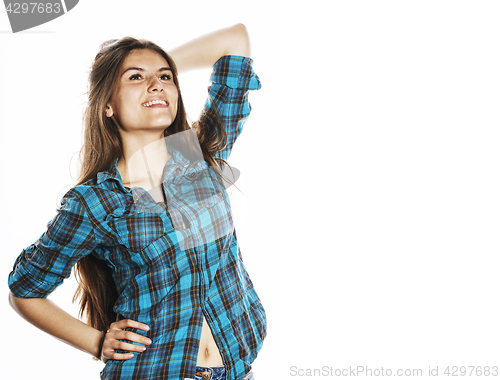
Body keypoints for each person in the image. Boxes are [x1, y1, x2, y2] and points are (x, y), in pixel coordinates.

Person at [8, 23, 266, 380]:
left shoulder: (199, 159)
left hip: (239, 371)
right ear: (108, 105)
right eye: (135, 78)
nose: (156, 83)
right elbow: (24, 290)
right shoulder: (97, 202)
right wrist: (96, 342)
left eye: (165, 77)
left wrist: (150, 75)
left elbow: (236, 40)